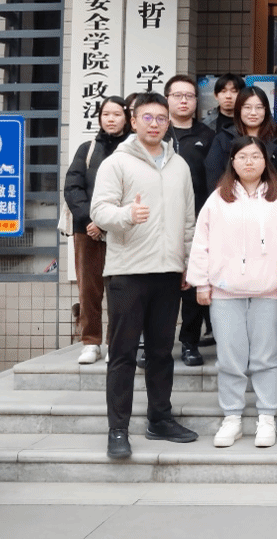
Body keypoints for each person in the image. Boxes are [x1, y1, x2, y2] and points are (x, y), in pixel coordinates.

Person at [89, 92, 198, 460]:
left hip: (168, 271)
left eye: (161, 118)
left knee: (161, 352)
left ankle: (160, 419)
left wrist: (187, 262)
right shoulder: (116, 163)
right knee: (122, 353)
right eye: (147, 118)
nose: (154, 124)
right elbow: (99, 210)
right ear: (133, 121)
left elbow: (188, 221)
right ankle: (117, 429)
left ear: (168, 123)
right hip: (128, 272)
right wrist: (126, 216)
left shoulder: (179, 166)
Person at [186, 136, 277, 449]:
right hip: (225, 290)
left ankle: (267, 416)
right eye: (243, 157)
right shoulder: (218, 199)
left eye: (255, 156)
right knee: (229, 358)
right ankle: (232, 416)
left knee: (266, 357)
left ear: (266, 161)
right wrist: (201, 282)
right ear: (232, 162)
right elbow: (201, 242)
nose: (249, 162)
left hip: (270, 289)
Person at [63, 96, 129, 365]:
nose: (111, 119)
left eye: (117, 114)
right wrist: (91, 220)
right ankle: (91, 342)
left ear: (127, 117)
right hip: (87, 231)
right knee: (89, 289)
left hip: (122, 230)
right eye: (106, 114)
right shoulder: (87, 149)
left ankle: (115, 342)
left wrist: (107, 221)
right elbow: (73, 186)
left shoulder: (132, 150)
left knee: (120, 289)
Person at [165, 74, 220, 367]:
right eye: (178, 95)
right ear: (167, 99)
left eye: (189, 96)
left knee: (193, 281)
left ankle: (189, 342)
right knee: (162, 286)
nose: (184, 101)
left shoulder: (207, 136)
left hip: (197, 220)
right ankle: (158, 344)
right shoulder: (157, 133)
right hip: (159, 223)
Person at [205, 87, 277, 202]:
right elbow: (214, 177)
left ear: (266, 110)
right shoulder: (223, 139)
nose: (253, 113)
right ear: (239, 110)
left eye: (259, 107)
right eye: (247, 107)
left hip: (271, 203)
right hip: (231, 204)